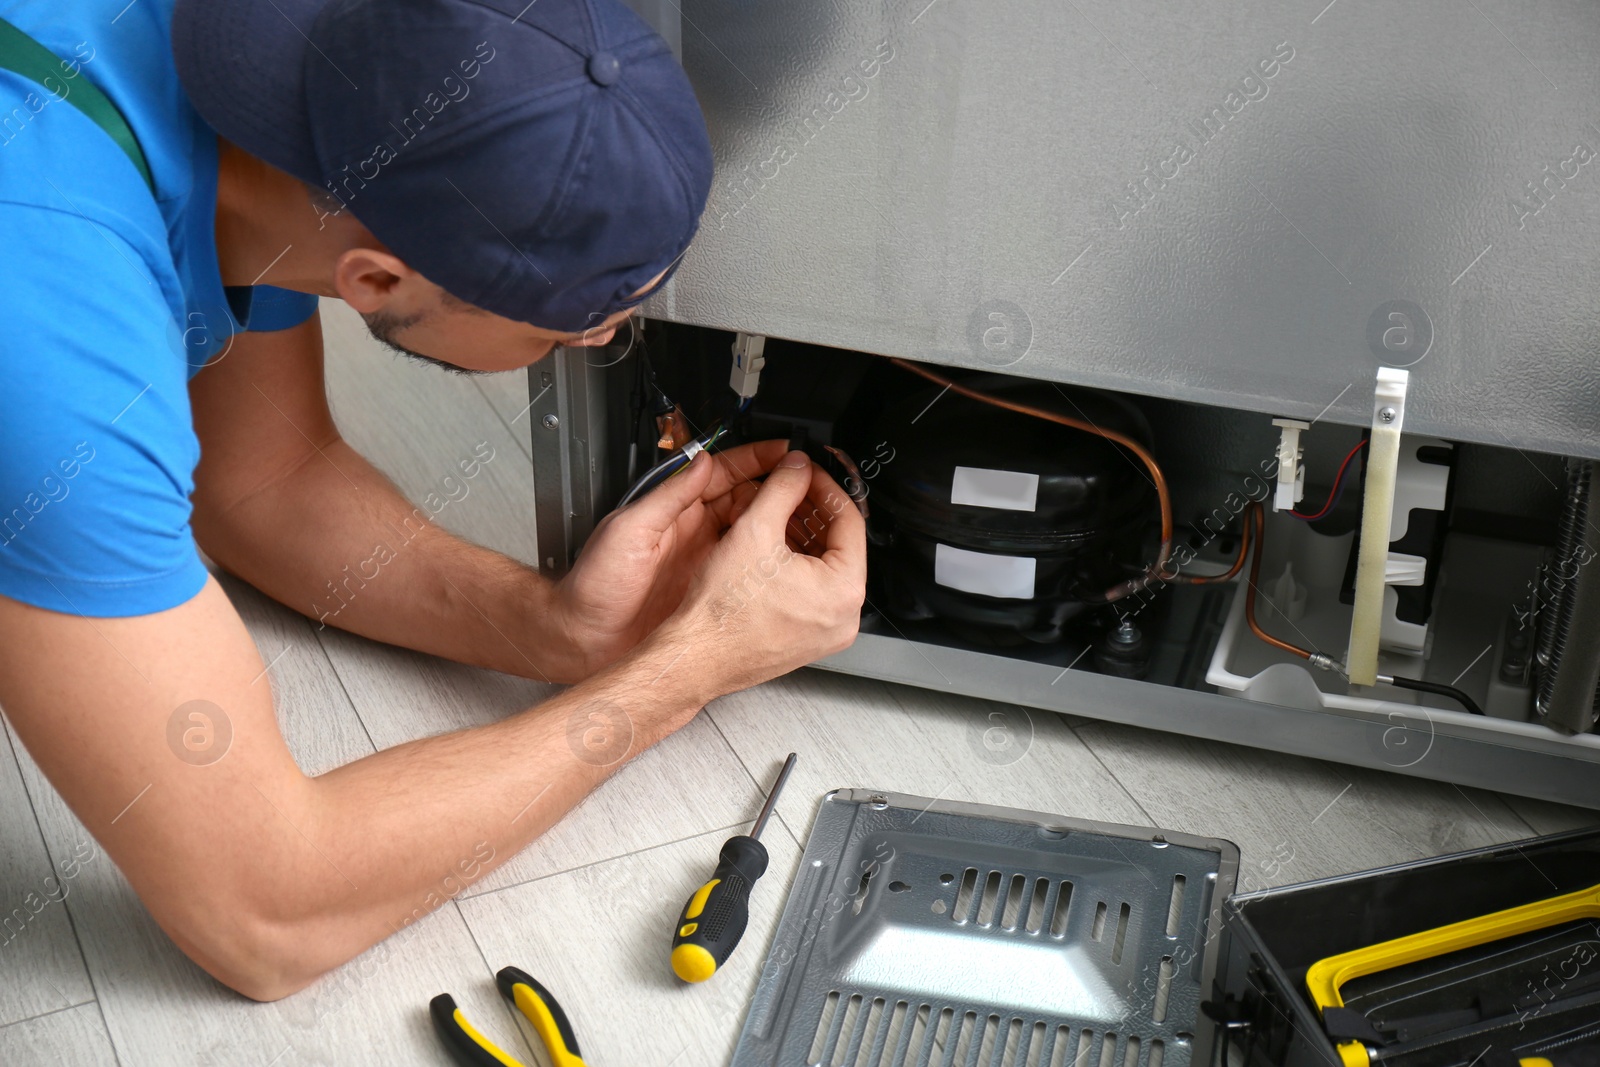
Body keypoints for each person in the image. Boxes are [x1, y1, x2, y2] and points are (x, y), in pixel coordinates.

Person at [0, 0, 865, 1000]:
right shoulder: (54, 339)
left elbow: (261, 485)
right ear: (374, 279)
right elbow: (261, 912)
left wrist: (557, 628)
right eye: (570, 329)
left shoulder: (309, 109)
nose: (599, 344)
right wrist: (690, 666)